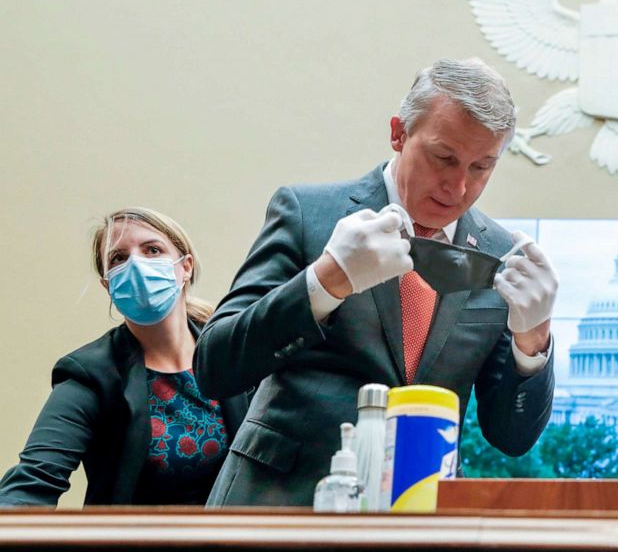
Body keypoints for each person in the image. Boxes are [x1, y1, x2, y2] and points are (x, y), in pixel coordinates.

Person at [194, 57, 559, 506]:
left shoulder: (500, 254)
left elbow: (512, 437)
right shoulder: (309, 213)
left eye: (481, 167)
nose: (458, 187)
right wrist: (325, 281)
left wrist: (533, 343)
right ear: (399, 133)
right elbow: (214, 366)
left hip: (419, 518)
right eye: (444, 157)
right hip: (279, 505)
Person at [0, 208, 249, 506]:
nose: (136, 264)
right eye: (119, 258)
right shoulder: (91, 374)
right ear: (108, 284)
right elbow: (33, 480)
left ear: (186, 267)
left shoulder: (235, 351)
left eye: (152, 250)